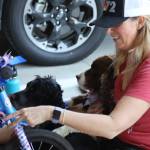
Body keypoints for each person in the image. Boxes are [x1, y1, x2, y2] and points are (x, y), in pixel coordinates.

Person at [4, 0, 150, 149]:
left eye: (116, 23)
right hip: (116, 140)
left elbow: (113, 126)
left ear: (140, 22)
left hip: (132, 145)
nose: (108, 31)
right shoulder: (128, 57)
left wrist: (51, 112)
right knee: (69, 139)